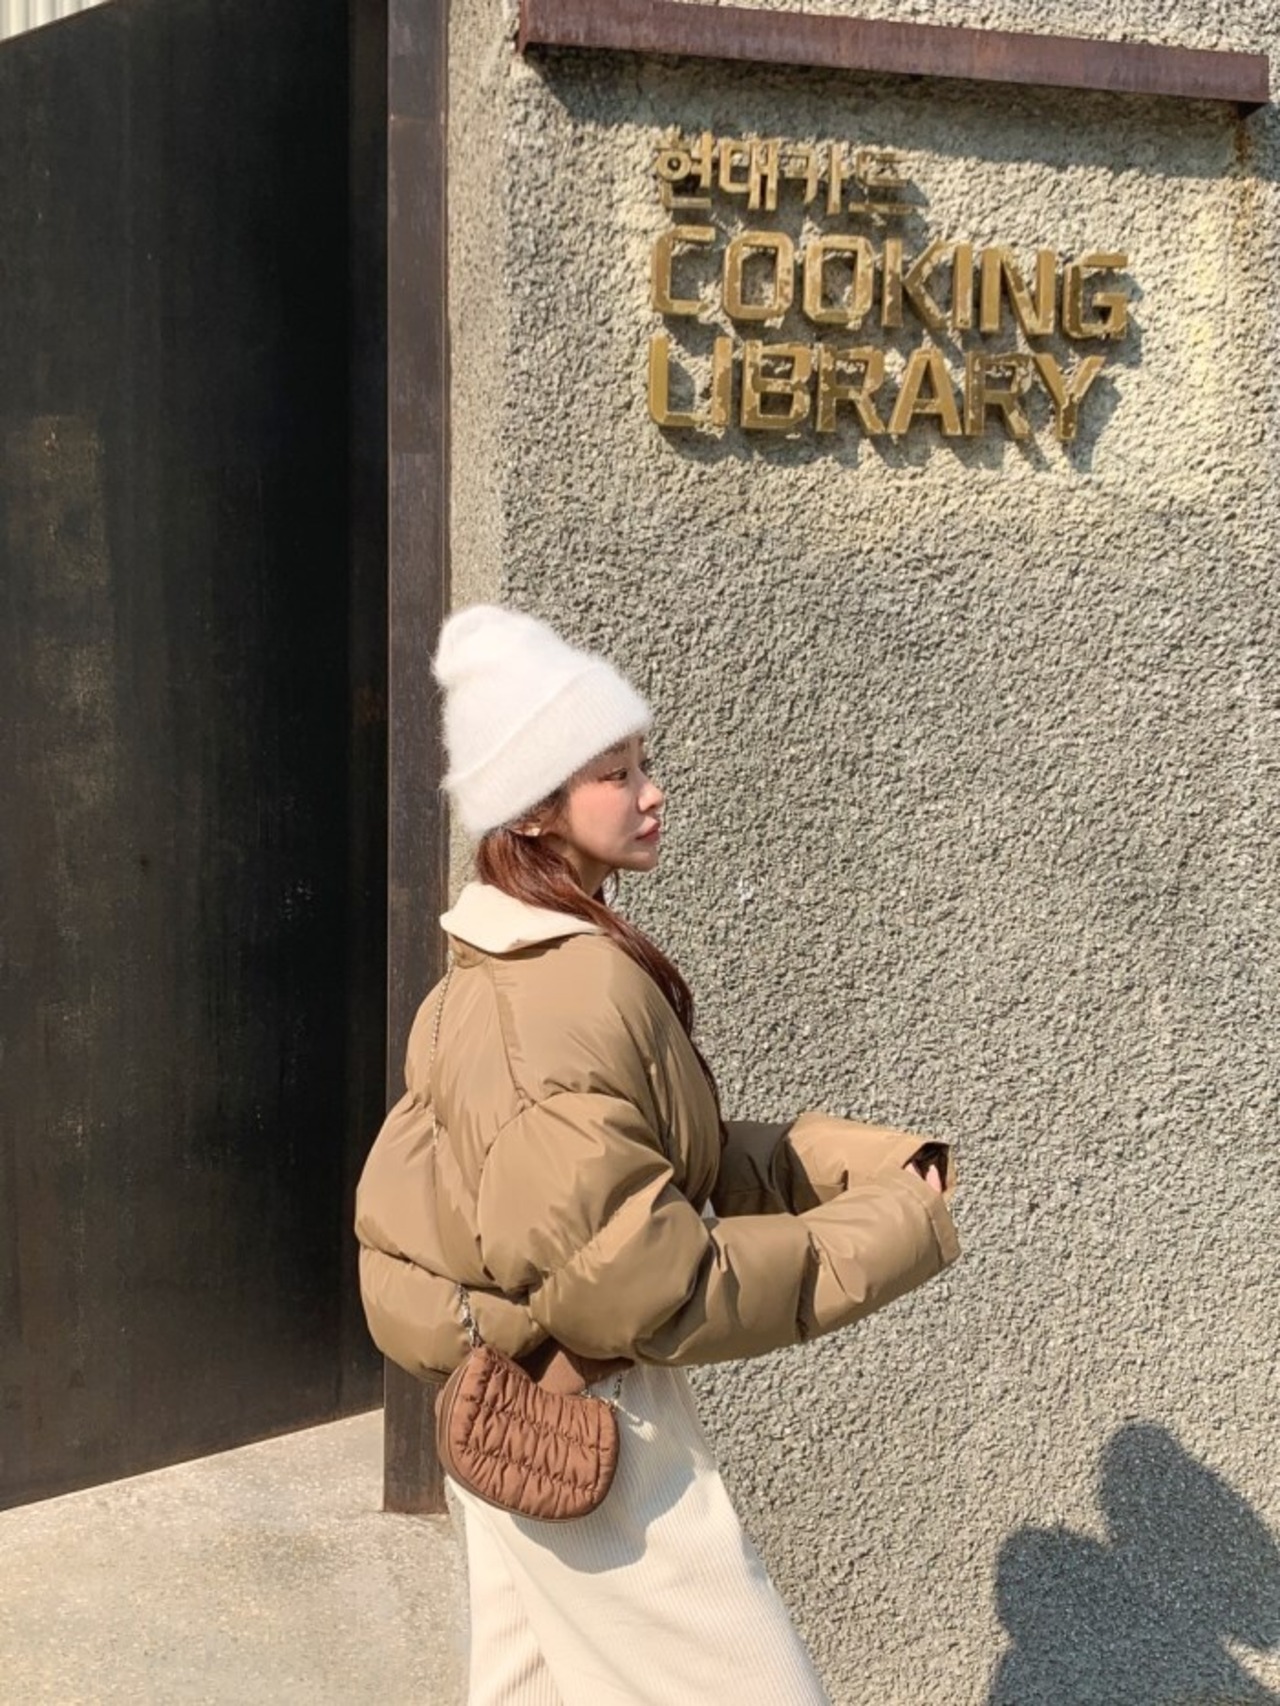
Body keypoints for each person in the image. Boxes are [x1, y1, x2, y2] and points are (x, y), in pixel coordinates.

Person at [355, 604, 960, 1706]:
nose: (652, 792)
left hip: (523, 1402)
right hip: (594, 1421)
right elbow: (641, 1281)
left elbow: (657, 1164)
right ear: (532, 810)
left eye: (645, 762)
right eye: (614, 772)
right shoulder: (557, 996)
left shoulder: (519, 967)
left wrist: (850, 1166)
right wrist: (894, 1227)